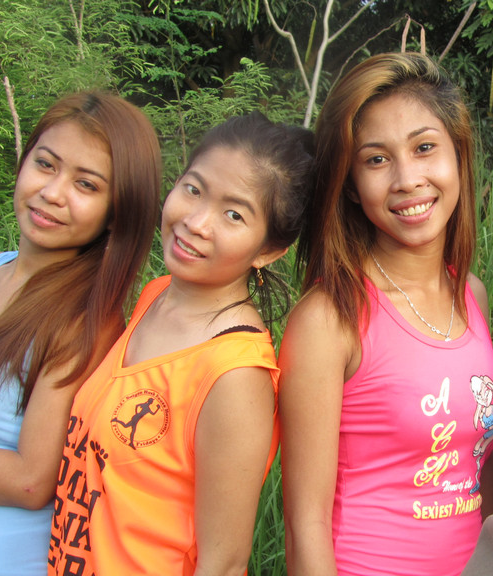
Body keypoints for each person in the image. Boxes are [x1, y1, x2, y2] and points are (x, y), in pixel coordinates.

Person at [47, 113, 315, 576]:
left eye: (234, 215)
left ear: (268, 251)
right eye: (193, 189)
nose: (195, 222)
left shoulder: (234, 374)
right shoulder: (155, 296)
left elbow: (223, 564)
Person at [279, 52, 493, 576]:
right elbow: (304, 525)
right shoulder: (328, 318)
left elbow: (478, 465)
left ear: (458, 155)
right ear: (350, 185)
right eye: (377, 160)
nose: (407, 179)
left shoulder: (470, 295)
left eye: (424, 148)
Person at [0, 92, 161, 574]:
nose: (53, 192)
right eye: (46, 164)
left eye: (86, 184)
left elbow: (31, 480)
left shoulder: (86, 320)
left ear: (117, 211)